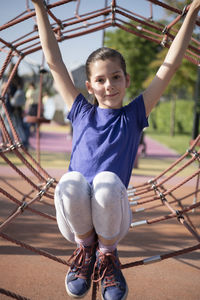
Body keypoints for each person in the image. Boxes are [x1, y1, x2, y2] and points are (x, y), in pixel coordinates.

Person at [32, 1, 200, 299]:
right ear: (90, 85)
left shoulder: (134, 114)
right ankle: (86, 252)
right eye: (100, 80)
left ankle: (107, 256)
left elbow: (170, 65)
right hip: (74, 219)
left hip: (113, 217)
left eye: (115, 77)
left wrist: (194, 11)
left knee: (107, 182)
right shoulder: (81, 111)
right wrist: (39, 8)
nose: (109, 85)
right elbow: (54, 61)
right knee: (71, 181)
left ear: (127, 80)